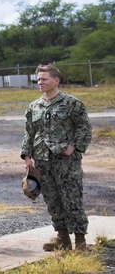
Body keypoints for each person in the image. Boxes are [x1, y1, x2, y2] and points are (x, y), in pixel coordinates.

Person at [21, 64, 93, 253]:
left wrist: (74, 147)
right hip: (42, 160)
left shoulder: (72, 103)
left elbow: (84, 128)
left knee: (72, 199)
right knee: (52, 200)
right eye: (38, 79)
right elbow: (29, 133)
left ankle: (80, 241)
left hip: (66, 162)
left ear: (56, 80)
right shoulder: (34, 107)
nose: (40, 83)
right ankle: (62, 238)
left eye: (44, 79)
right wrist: (27, 156)